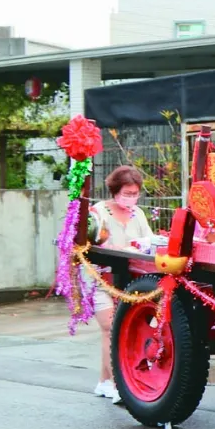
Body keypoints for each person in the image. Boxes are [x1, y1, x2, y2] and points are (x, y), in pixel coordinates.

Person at [88, 165, 155, 404]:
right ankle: (119, 385)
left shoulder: (138, 213)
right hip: (99, 276)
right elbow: (92, 245)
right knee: (110, 327)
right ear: (115, 191)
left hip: (128, 278)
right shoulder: (98, 212)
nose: (131, 198)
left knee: (122, 328)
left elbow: (149, 239)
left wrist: (141, 244)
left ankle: (103, 382)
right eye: (126, 193)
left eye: (135, 193)